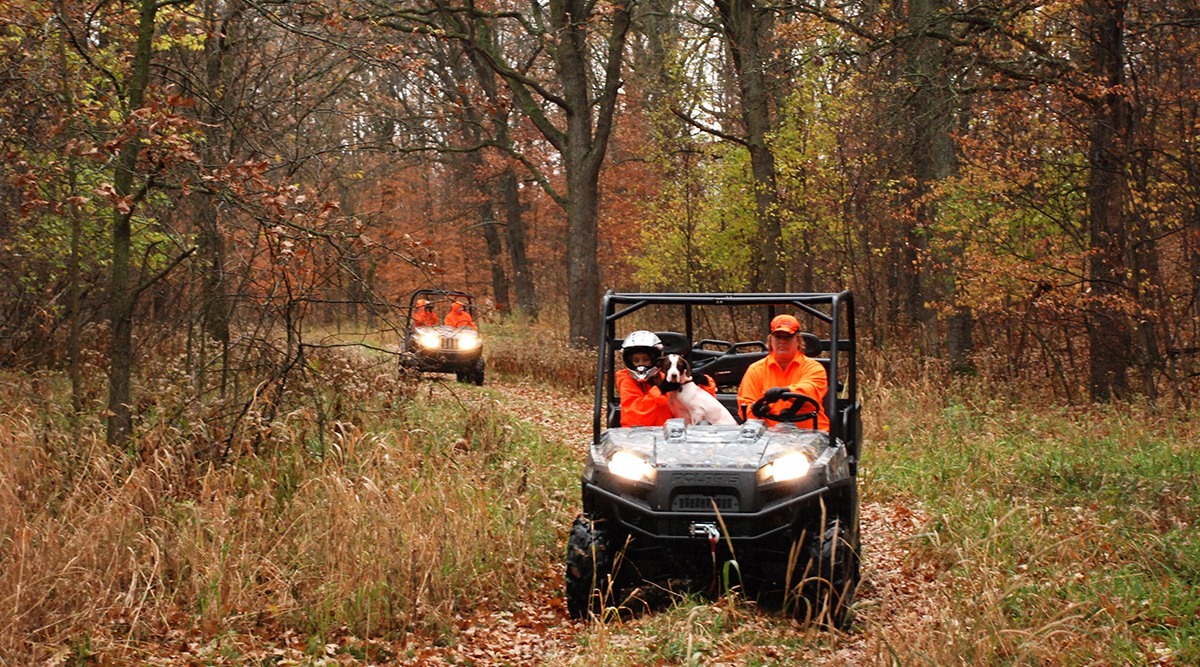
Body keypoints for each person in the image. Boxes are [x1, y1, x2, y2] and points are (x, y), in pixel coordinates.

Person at [736, 314, 830, 430]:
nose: (782, 341)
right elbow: (745, 406)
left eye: (788, 337)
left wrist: (787, 392)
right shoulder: (755, 370)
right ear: (771, 340)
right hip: (768, 438)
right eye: (778, 337)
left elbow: (810, 390)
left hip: (812, 435)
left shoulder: (814, 368)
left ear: (798, 341)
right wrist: (757, 411)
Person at [615, 330, 717, 427]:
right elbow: (636, 417)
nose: (641, 364)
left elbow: (703, 401)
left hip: (672, 434)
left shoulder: (667, 377)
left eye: (646, 360)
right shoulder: (627, 381)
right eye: (636, 360)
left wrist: (704, 382)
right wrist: (660, 390)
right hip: (638, 436)